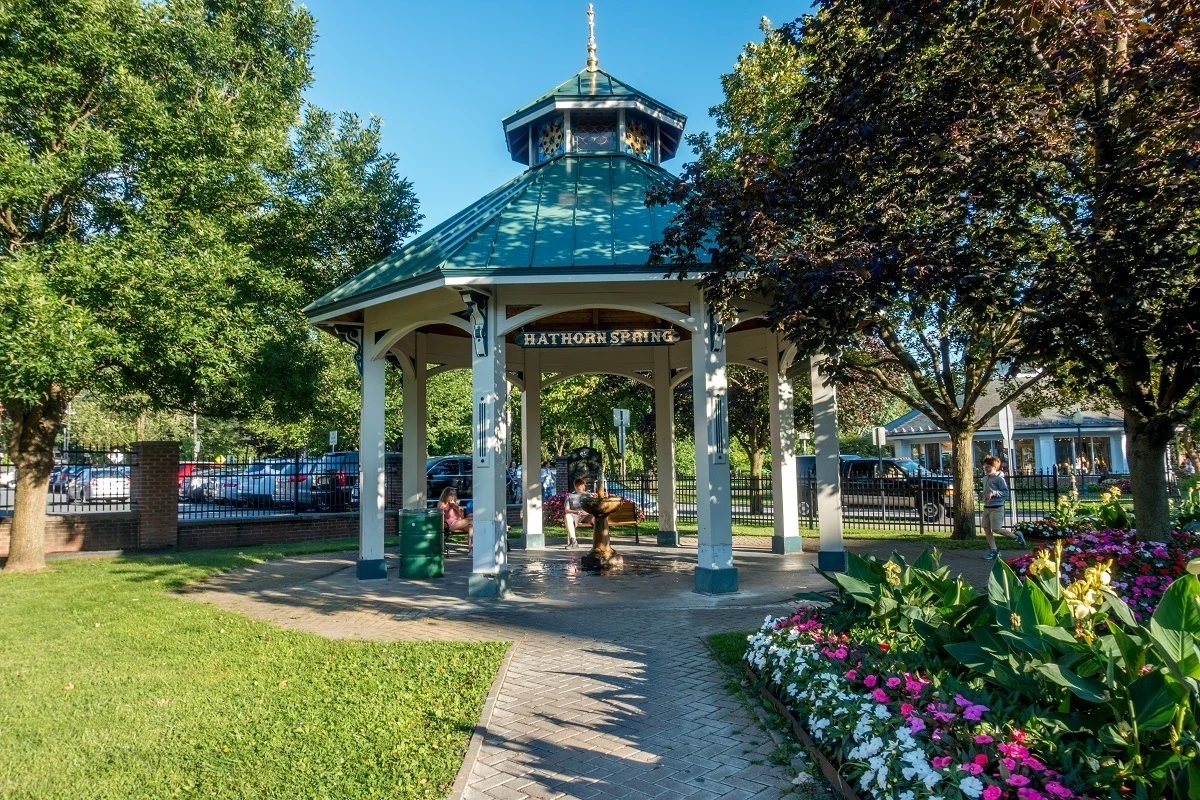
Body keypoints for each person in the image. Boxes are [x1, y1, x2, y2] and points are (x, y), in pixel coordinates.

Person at [980, 455, 1025, 561]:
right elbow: (987, 491)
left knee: (996, 529)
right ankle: (994, 551)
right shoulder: (985, 478)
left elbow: (1005, 492)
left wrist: (994, 493)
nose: (986, 469)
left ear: (995, 468)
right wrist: (983, 495)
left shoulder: (999, 479)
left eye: (988, 467)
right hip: (987, 507)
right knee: (986, 528)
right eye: (985, 467)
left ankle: (1017, 537)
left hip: (997, 507)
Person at [439, 487, 473, 552]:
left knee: (471, 527)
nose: (452, 496)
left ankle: (470, 549)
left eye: (454, 494)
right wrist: (452, 506)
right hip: (450, 525)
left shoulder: (455, 504)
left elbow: (461, 516)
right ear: (446, 495)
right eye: (450, 494)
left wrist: (456, 507)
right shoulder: (443, 504)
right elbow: (448, 515)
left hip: (458, 523)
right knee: (470, 520)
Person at [563, 477, 592, 549]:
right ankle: (573, 542)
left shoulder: (588, 495)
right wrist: (577, 512)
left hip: (587, 515)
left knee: (597, 518)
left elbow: (592, 508)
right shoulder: (570, 496)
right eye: (580, 485)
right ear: (576, 486)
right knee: (567, 516)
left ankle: (600, 542)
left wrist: (586, 512)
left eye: (583, 485)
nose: (583, 487)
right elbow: (567, 510)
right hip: (575, 515)